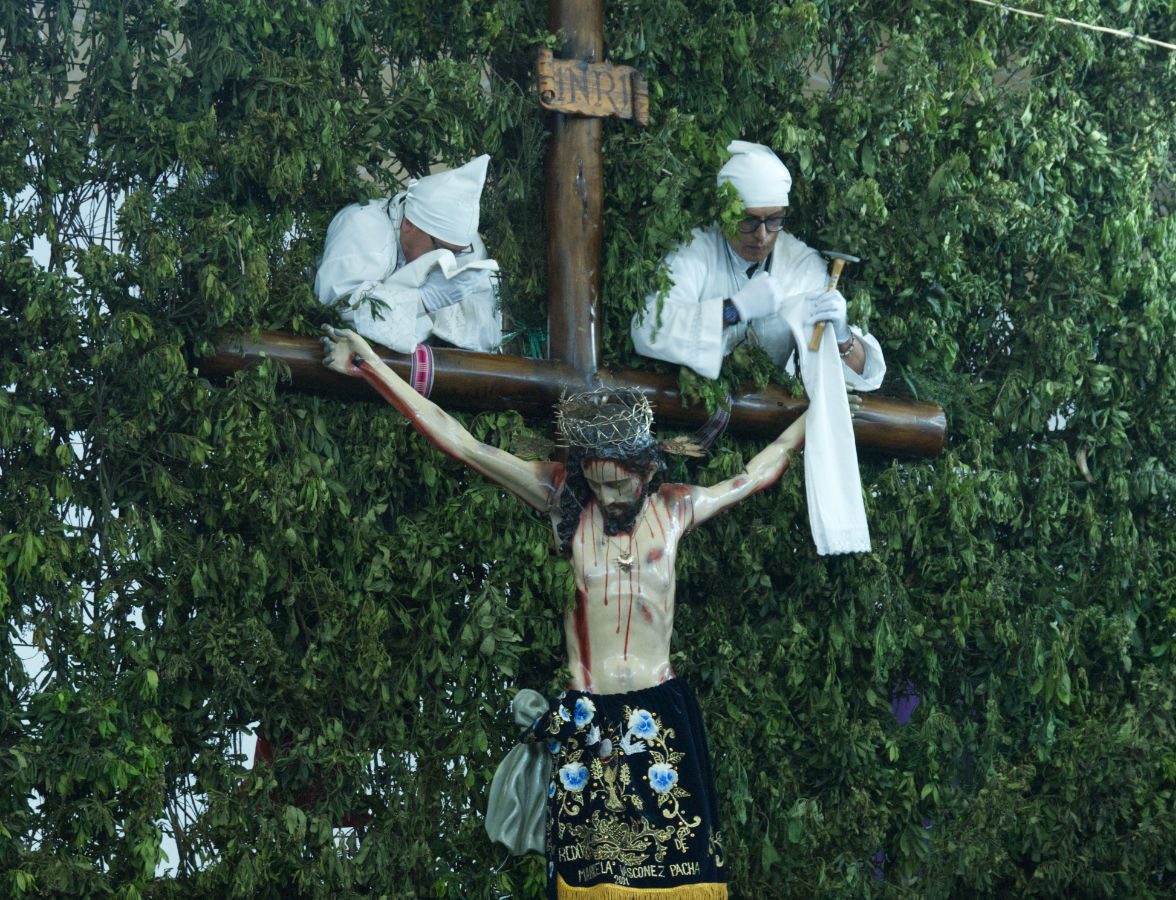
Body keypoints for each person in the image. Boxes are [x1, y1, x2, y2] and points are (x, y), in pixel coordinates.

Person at [321, 323, 812, 898]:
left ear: (647, 470)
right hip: (590, 715)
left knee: (679, 880)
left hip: (662, 712)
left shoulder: (677, 509)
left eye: (620, 486)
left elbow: (762, 466)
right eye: (597, 485)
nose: (608, 499)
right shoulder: (562, 501)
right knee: (588, 882)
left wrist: (821, 411)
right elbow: (463, 443)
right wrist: (371, 366)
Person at [631, 139, 884, 387]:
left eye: (774, 220)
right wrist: (733, 310)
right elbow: (648, 328)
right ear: (725, 214)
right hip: (697, 409)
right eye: (748, 220)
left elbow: (855, 375)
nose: (762, 235)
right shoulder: (694, 251)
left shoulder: (802, 266)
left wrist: (841, 337)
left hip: (774, 412)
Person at [314, 154, 502, 355]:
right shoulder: (364, 227)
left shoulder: (467, 247)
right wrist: (424, 301)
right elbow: (340, 308)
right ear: (408, 224)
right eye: (440, 248)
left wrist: (440, 311)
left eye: (456, 252)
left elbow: (488, 331)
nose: (447, 259)